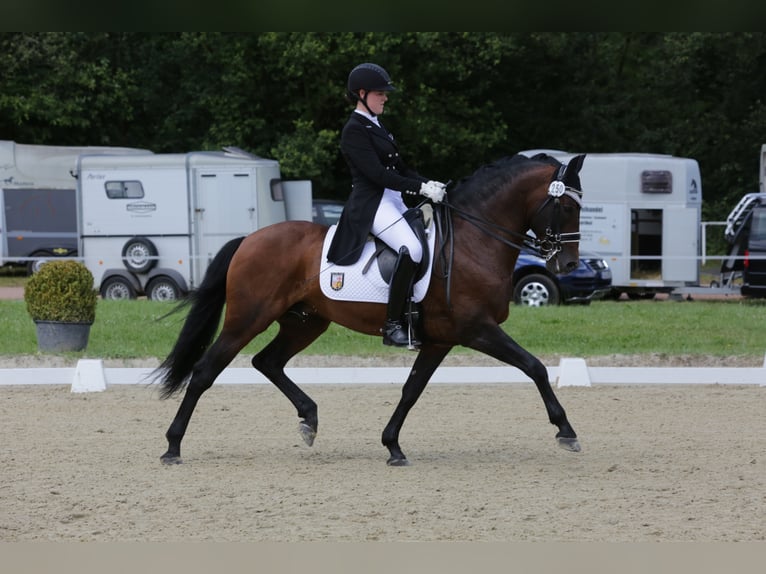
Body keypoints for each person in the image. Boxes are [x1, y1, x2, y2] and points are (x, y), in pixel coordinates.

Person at [326, 62, 447, 348]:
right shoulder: (354, 129)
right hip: (372, 203)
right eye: (380, 93)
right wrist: (420, 188)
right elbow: (378, 175)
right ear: (362, 94)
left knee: (429, 243)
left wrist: (432, 185)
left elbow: (402, 170)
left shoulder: (377, 125)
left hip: (393, 199)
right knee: (413, 248)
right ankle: (393, 325)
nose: (385, 97)